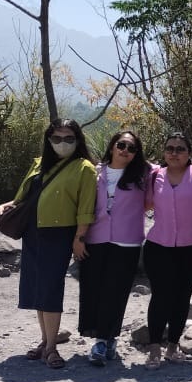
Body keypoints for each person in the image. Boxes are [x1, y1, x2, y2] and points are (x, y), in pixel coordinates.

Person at [0, 118, 97, 369]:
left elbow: (86, 209)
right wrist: (6, 205)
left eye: (69, 138)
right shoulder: (39, 164)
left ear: (78, 140)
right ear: (49, 140)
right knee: (38, 287)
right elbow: (22, 197)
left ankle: (51, 348)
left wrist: (79, 239)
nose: (62, 143)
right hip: (33, 232)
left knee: (50, 288)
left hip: (59, 234)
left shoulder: (84, 168)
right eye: (57, 138)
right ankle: (45, 341)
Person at [143, 132, 192, 369]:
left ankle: (173, 347)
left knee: (182, 297)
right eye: (170, 148)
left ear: (189, 153)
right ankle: (154, 349)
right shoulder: (154, 176)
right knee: (160, 296)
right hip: (158, 246)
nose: (174, 153)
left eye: (180, 149)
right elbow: (143, 203)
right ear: (164, 152)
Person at [78, 130, 153, 366]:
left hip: (127, 242)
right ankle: (107, 338)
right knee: (93, 289)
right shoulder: (94, 172)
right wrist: (79, 238)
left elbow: (172, 170)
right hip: (96, 238)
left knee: (116, 291)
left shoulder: (144, 174)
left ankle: (102, 341)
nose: (125, 151)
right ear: (112, 146)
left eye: (132, 148)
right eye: (121, 145)